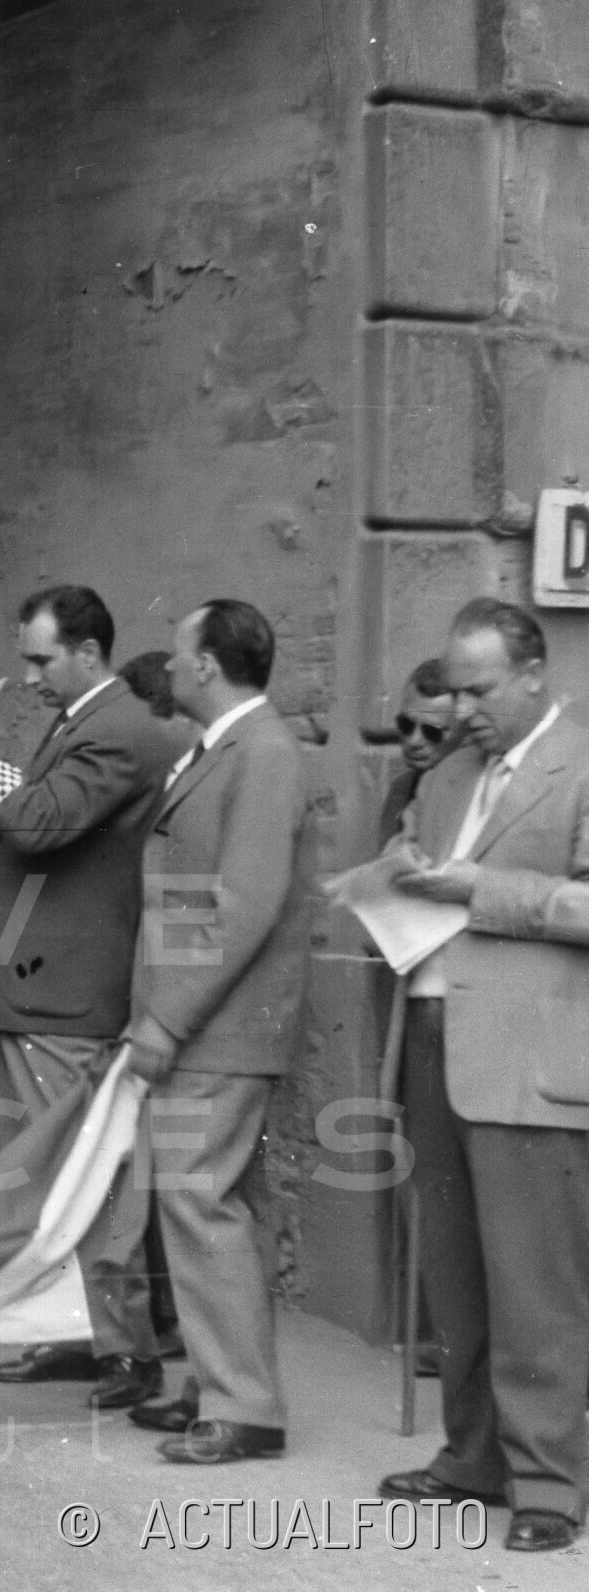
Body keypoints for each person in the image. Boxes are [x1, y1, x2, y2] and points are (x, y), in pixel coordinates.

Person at [0, 584, 184, 1411]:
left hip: (64, 992)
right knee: (42, 1180)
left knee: (88, 1181)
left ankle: (126, 1347)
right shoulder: (70, 723)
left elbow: (36, 822)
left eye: (41, 660)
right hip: (25, 987)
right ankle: (76, 1332)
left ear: (89, 652)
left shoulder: (117, 728)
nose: (29, 677)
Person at [377, 598, 589, 1552]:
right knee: (456, 1276)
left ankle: (548, 1482)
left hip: (530, 1057)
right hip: (433, 1036)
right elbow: (419, 862)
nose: (461, 710)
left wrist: (478, 890)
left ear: (535, 674)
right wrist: (400, 862)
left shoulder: (580, 765)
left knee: (535, 1282)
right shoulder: (449, 773)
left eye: (479, 690)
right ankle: (473, 1457)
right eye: (454, 690)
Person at [107, 600, 314, 1466]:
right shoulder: (228, 747)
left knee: (200, 1200)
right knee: (214, 1201)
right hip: (212, 1018)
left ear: (206, 666)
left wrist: (166, 1016)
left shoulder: (260, 752)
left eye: (179, 653)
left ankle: (241, 1404)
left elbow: (243, 903)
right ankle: (219, 1384)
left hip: (220, 1025)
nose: (169, 666)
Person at [381, 658, 458, 842]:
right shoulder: (400, 789)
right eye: (406, 725)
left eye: (431, 732)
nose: (414, 741)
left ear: (463, 733)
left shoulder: (472, 798)